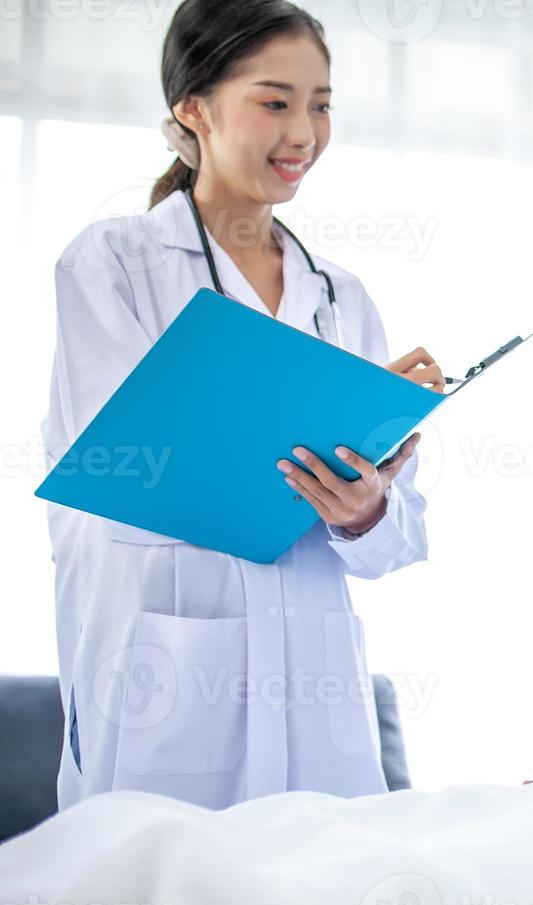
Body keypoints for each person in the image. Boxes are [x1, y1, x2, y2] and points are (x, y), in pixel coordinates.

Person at [43, 0, 445, 811]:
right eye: (276, 101)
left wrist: (366, 505)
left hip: (316, 680)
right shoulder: (114, 264)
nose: (304, 133)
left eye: (321, 104)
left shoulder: (340, 296)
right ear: (194, 108)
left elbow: (395, 544)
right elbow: (124, 470)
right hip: (169, 662)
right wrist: (309, 462)